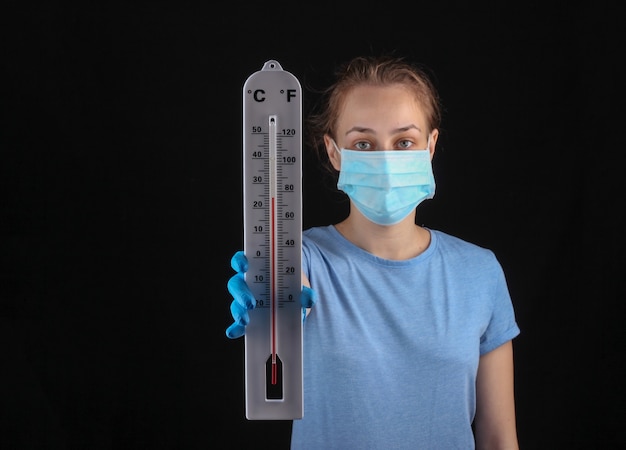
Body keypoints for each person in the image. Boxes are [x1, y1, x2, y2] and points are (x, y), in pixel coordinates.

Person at [226, 55, 520, 449]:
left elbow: (499, 439)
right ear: (334, 153)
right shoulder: (303, 258)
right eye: (363, 143)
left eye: (404, 142)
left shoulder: (479, 273)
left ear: (430, 147)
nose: (385, 159)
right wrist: (270, 291)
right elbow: (288, 283)